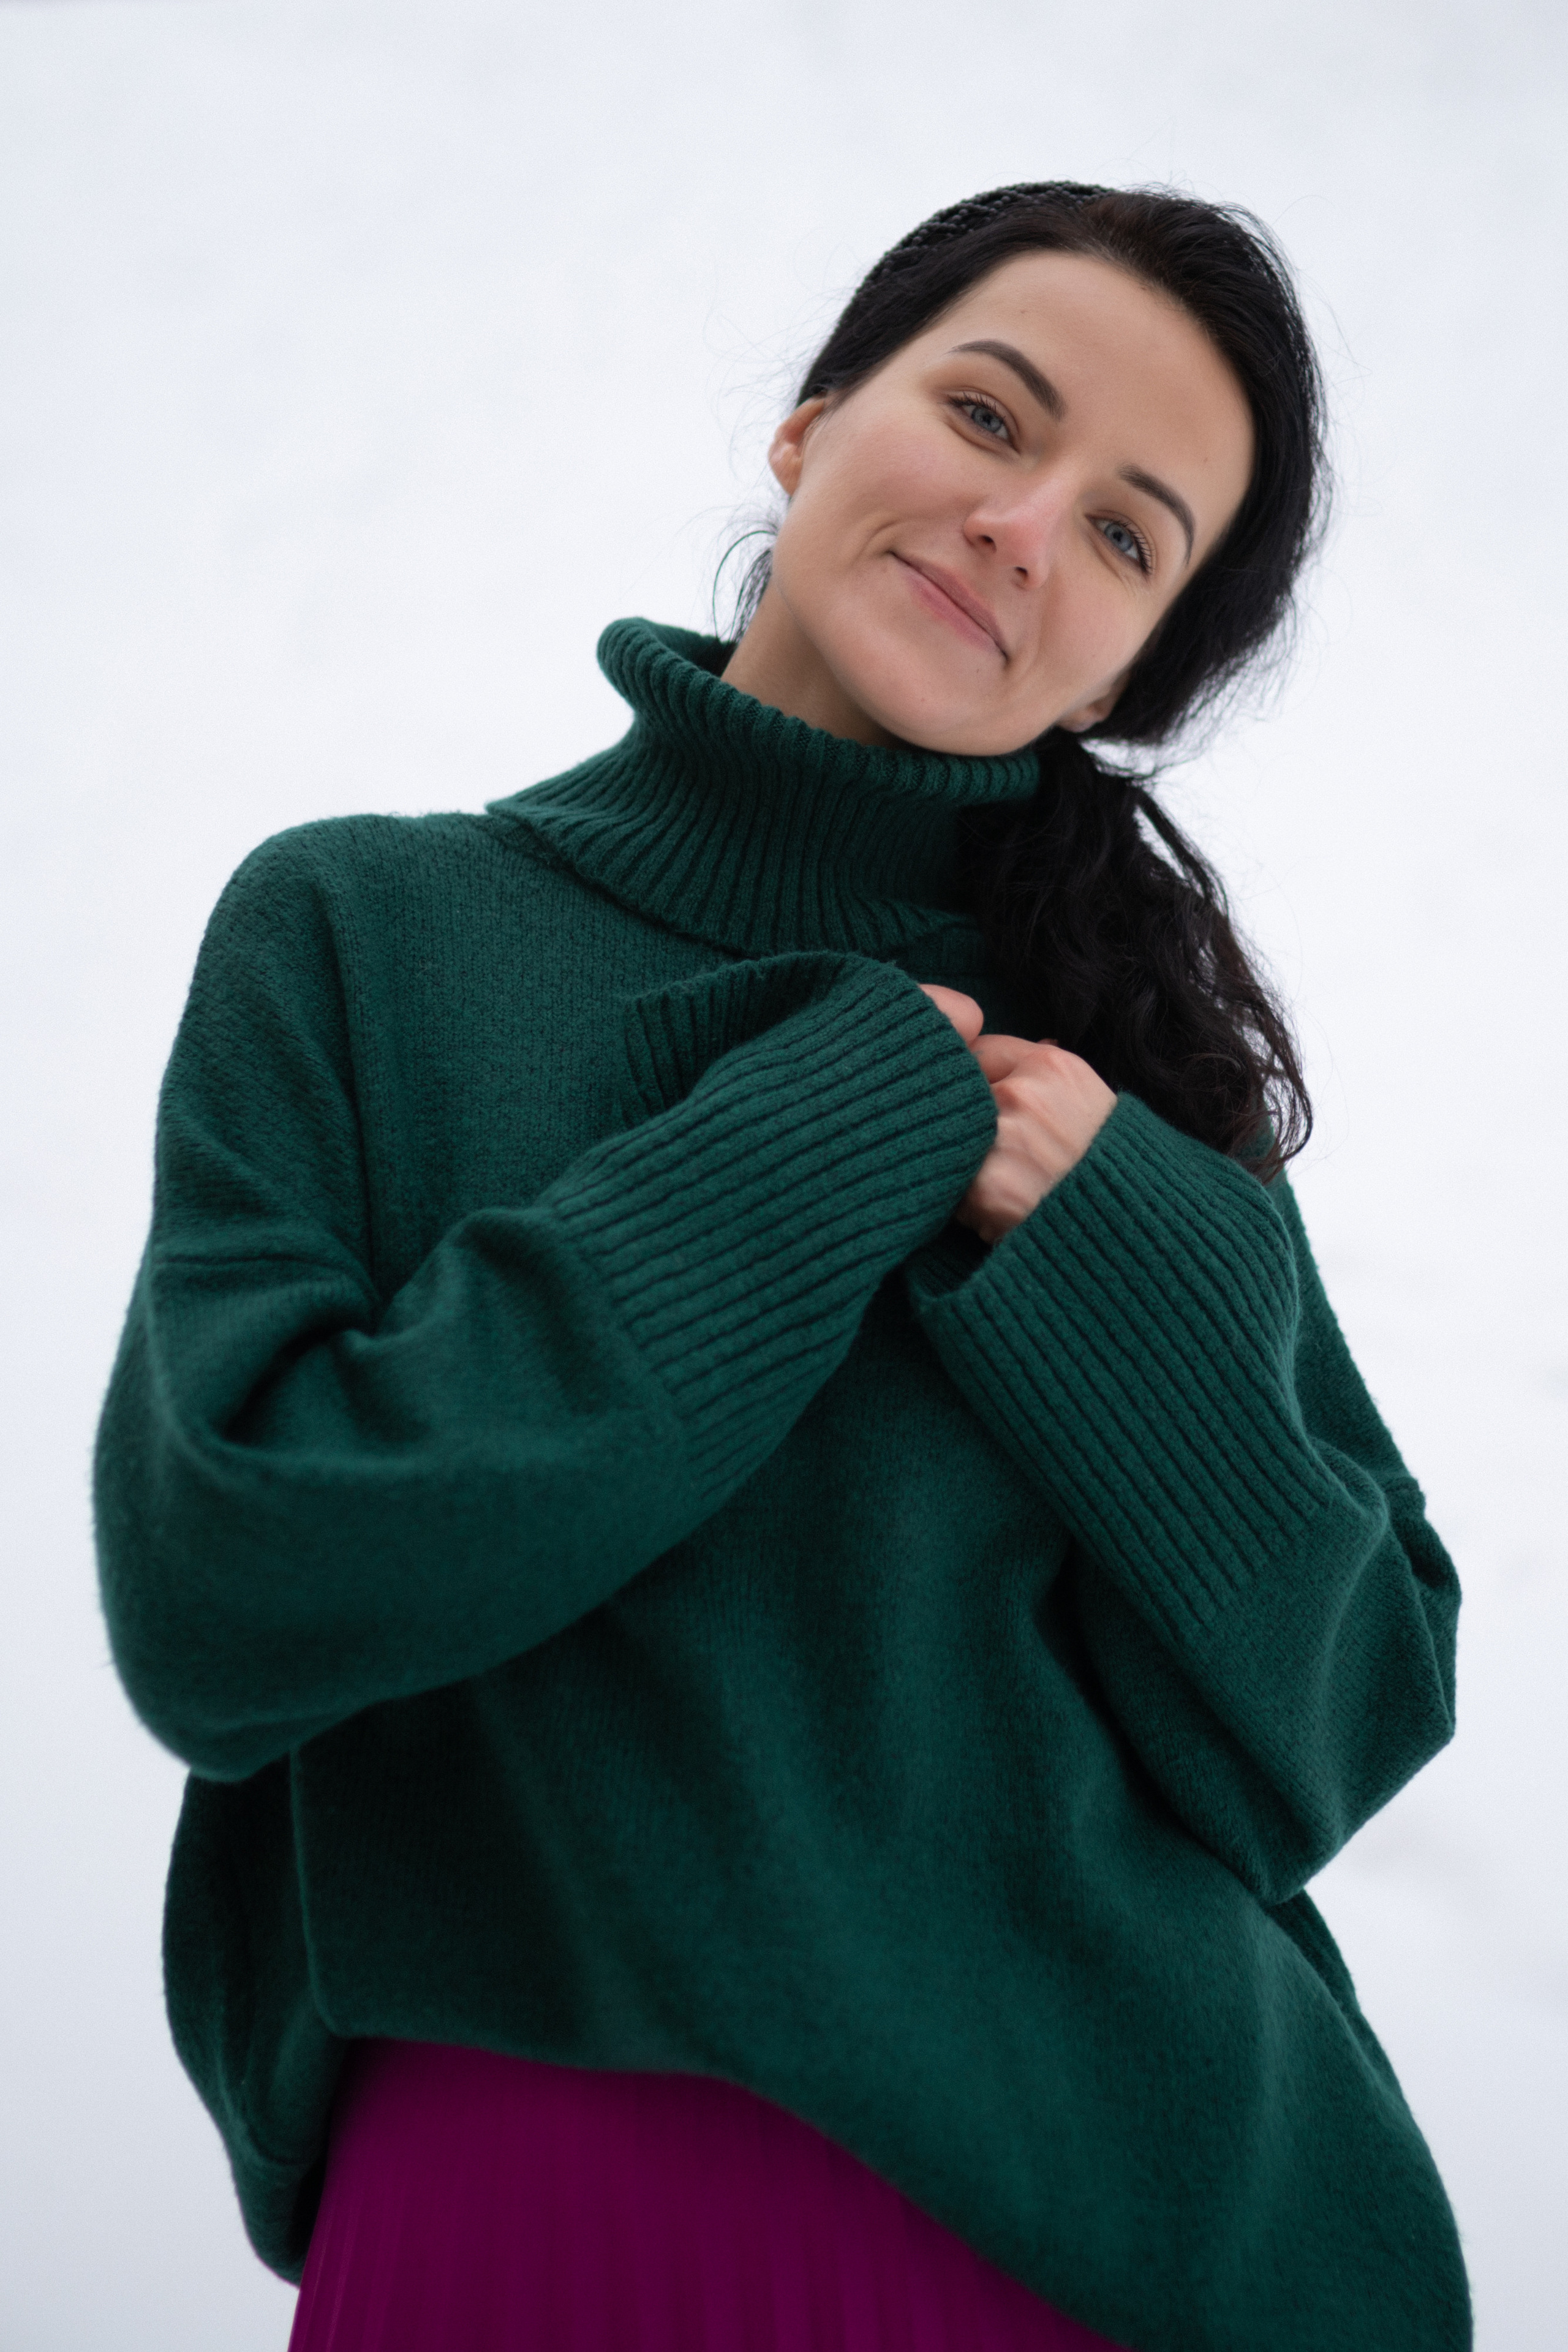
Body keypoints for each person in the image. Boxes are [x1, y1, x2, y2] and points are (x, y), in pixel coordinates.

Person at [94, 183, 1469, 2352]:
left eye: (1128, 536)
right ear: (814, 422)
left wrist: (1110, 1269)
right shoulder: (365, 932)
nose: (1026, 526)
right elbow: (229, 1583)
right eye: (990, 415)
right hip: (517, 2216)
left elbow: (1342, 1723)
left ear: (1130, 669)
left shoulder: (1127, 1100)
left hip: (1131, 2258)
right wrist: (817, 1142)